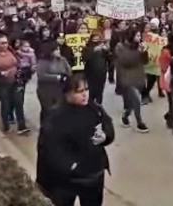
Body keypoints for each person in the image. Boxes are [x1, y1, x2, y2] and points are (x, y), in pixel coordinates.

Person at [36, 73, 115, 206]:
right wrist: (71, 166)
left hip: (93, 176)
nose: (85, 94)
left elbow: (107, 126)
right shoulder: (55, 117)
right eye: (79, 91)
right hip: (66, 181)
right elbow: (49, 148)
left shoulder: (95, 109)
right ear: (67, 94)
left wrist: (105, 136)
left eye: (86, 90)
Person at [0, 35, 29, 134]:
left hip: (15, 82)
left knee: (18, 102)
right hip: (2, 84)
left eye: (6, 42)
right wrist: (0, 73)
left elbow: (18, 64)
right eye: (2, 43)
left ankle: (22, 126)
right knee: (6, 104)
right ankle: (6, 125)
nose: (5, 45)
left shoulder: (12, 52)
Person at [114, 29, 149, 133]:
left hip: (139, 77)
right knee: (136, 100)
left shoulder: (139, 47)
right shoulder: (120, 47)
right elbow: (126, 61)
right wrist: (138, 52)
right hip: (126, 78)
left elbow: (145, 61)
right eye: (137, 35)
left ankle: (125, 115)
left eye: (139, 35)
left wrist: (144, 52)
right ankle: (139, 123)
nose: (139, 38)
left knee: (130, 103)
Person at [37, 42, 72, 123]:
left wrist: (66, 76)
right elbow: (41, 75)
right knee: (48, 111)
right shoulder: (43, 62)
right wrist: (57, 77)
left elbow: (69, 71)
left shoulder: (62, 60)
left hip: (60, 89)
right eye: (56, 49)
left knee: (59, 110)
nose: (58, 51)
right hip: (46, 91)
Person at [83, 33, 109, 104]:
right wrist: (94, 50)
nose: (96, 41)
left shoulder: (102, 49)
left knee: (99, 92)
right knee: (91, 92)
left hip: (101, 74)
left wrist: (106, 50)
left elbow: (109, 58)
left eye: (98, 39)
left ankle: (99, 106)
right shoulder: (86, 48)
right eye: (94, 39)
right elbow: (85, 58)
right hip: (90, 74)